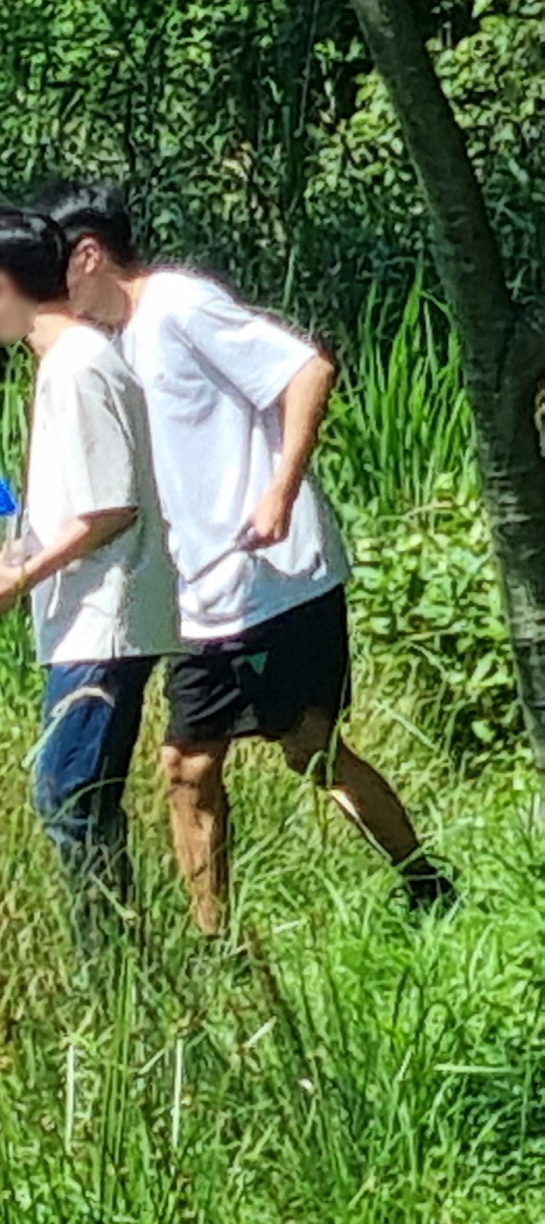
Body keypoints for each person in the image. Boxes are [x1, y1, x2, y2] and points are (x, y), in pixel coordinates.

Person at [38, 182, 453, 926]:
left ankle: (427, 885)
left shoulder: (179, 307)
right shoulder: (106, 349)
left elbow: (307, 370)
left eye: (51, 266)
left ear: (90, 254)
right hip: (200, 596)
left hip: (277, 578)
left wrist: (279, 493)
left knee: (310, 751)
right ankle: (213, 940)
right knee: (186, 766)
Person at [0, 209, 178, 941]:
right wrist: (15, 559)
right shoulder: (72, 363)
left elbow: (112, 506)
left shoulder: (78, 364)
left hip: (103, 623)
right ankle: (117, 969)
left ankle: (115, 974)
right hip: (82, 620)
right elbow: (78, 502)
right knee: (75, 801)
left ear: (6, 285)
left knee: (71, 799)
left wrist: (26, 577)